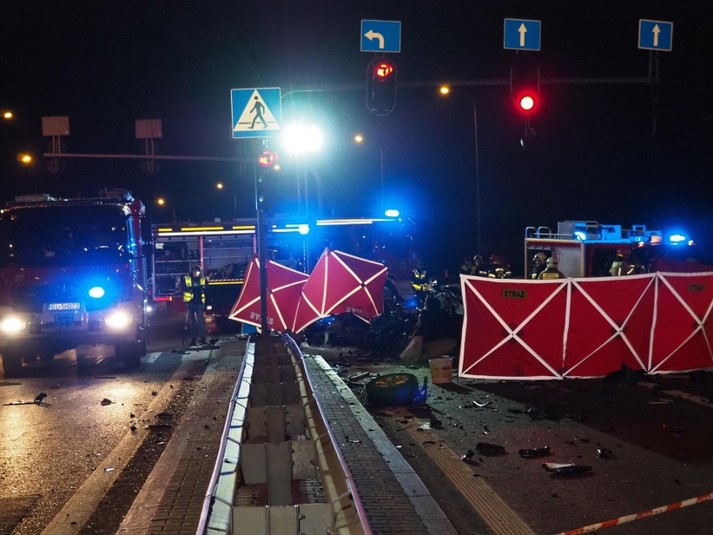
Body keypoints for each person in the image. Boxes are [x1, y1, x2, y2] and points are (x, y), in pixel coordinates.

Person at [182, 265, 207, 345]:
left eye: (197, 271)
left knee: (201, 322)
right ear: (192, 272)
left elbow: (207, 289)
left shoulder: (203, 279)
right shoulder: (187, 279)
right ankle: (193, 339)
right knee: (191, 322)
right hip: (190, 303)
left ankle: (202, 338)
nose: (196, 273)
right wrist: (189, 289)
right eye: (194, 271)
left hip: (199, 303)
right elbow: (182, 288)